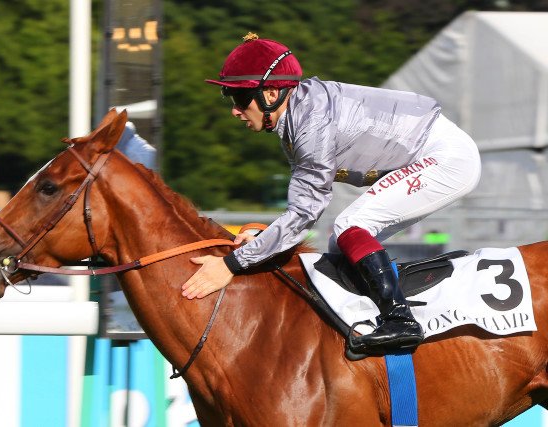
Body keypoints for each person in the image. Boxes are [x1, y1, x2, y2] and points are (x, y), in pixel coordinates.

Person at [181, 33, 481, 355]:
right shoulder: (297, 117)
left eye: (241, 99)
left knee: (351, 225)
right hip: (436, 153)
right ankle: (378, 317)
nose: (235, 111)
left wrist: (232, 264)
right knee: (341, 245)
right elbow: (300, 209)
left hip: (446, 158)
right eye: (230, 98)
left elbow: (304, 215)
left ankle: (401, 320)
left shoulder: (310, 125)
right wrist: (265, 239)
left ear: (271, 93)